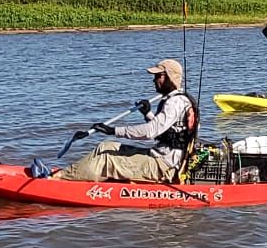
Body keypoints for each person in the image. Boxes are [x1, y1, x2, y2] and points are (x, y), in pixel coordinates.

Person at [56, 59, 198, 183]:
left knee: (107, 159)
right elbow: (164, 130)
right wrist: (147, 114)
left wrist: (113, 130)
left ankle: (60, 179)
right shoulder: (178, 100)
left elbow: (150, 132)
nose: (154, 80)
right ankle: (73, 174)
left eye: (158, 76)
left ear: (170, 77)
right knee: (106, 147)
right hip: (159, 156)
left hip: (164, 165)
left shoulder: (175, 102)